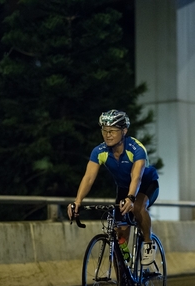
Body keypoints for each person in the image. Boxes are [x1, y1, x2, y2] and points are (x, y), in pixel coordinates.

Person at [68, 109, 160, 272]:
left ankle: (148, 244)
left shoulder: (136, 148)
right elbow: (88, 178)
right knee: (120, 236)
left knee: (138, 208)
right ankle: (125, 279)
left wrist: (131, 198)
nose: (107, 135)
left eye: (112, 131)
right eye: (104, 130)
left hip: (146, 184)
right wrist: (77, 201)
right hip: (124, 188)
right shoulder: (99, 151)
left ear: (124, 131)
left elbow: (136, 177)